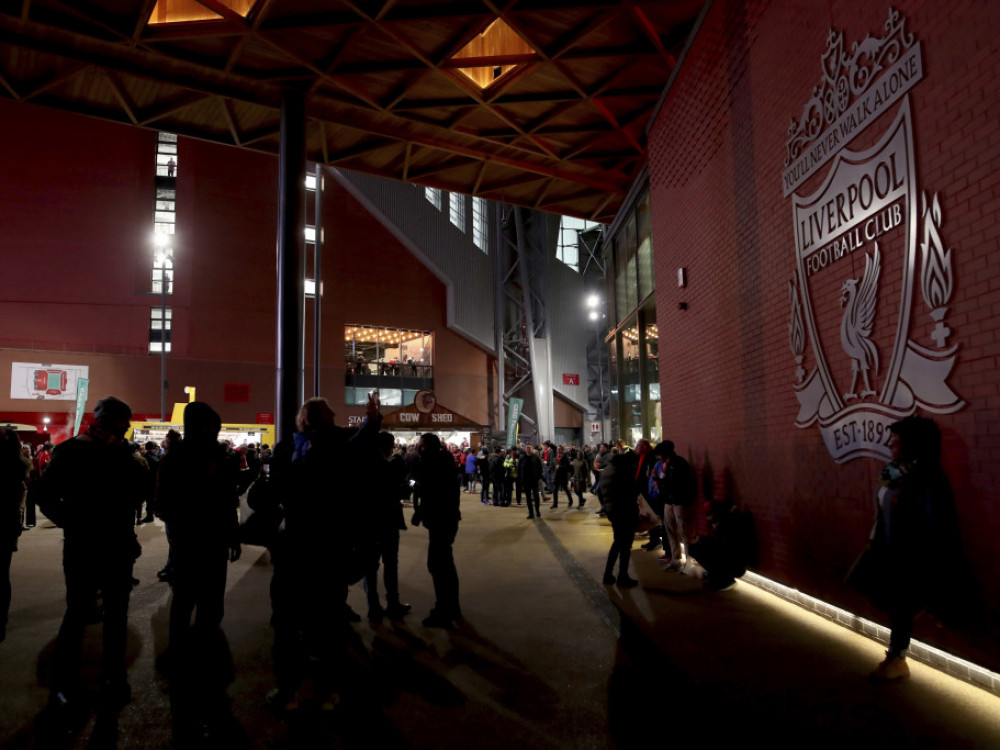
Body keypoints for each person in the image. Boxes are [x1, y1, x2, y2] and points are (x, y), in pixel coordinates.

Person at [31, 396, 147, 710]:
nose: (126, 428)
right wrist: (74, 523)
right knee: (82, 612)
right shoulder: (73, 451)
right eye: (123, 422)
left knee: (109, 613)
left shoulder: (121, 453)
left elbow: (135, 496)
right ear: (113, 422)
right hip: (88, 545)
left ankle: (110, 676)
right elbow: (44, 495)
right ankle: (69, 682)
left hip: (113, 544)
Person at [861, 416, 961, 682]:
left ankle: (897, 658)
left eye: (897, 441)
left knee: (902, 604)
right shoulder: (893, 472)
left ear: (914, 444)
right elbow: (883, 511)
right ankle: (897, 657)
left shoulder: (928, 478)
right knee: (895, 602)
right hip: (889, 548)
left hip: (912, 555)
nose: (890, 445)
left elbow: (938, 522)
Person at [156, 402, 242, 670]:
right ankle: (186, 653)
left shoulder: (216, 459)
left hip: (202, 542)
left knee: (204, 601)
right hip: (193, 542)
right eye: (212, 428)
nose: (215, 433)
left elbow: (228, 501)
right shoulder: (177, 460)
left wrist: (232, 535)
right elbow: (163, 506)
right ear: (202, 428)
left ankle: (196, 649)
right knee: (189, 600)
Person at [411, 433, 462, 627]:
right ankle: (452, 607)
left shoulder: (432, 463)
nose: (419, 448)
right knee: (445, 563)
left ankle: (443, 610)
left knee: (438, 565)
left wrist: (419, 513)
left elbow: (430, 492)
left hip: (440, 518)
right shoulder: (445, 460)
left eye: (421, 446)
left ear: (428, 447)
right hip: (448, 518)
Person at [363, 431, 411, 621]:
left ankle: (373, 605)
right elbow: (401, 488)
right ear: (390, 445)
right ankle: (392, 602)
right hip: (388, 520)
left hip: (368, 521)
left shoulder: (365, 465)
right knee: (390, 563)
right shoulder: (393, 465)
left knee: (370, 565)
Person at [1, 429, 30, 642]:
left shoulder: (13, 467)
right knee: (2, 576)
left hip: (6, 524)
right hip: (8, 525)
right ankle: (0, 621)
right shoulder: (18, 466)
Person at [653, 441, 696, 569]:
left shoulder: (678, 464)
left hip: (679, 502)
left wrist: (658, 481)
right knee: (670, 531)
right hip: (669, 501)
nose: (657, 457)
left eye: (659, 454)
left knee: (684, 532)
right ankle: (676, 559)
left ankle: (690, 562)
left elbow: (674, 484)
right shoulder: (665, 464)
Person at [600, 450, 640, 587]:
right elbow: (630, 492)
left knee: (618, 542)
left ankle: (608, 574)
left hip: (613, 510)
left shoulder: (608, 469)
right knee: (625, 545)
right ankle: (623, 576)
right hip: (623, 511)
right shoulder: (621, 472)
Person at [519, 444, 543, 519]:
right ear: (525, 449)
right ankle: (531, 513)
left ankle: (537, 511)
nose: (528, 449)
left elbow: (540, 468)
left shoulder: (536, 457)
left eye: (529, 448)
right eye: (527, 448)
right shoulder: (522, 458)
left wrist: (538, 477)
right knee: (528, 498)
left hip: (534, 480)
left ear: (531, 449)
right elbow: (519, 469)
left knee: (536, 497)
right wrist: (521, 479)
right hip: (526, 481)